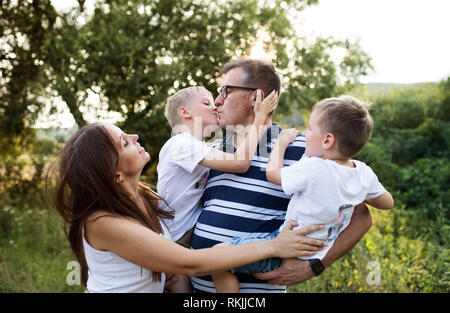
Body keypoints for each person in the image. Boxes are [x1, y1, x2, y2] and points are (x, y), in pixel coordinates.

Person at [45, 122, 327, 293]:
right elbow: (189, 262)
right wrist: (275, 246)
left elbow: (171, 270)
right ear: (115, 173)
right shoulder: (103, 222)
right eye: (124, 142)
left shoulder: (146, 198)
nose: (134, 137)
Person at [190, 58, 374, 293]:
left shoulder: (306, 151)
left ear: (256, 97)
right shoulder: (213, 151)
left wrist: (314, 267)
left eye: (226, 91)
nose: (218, 101)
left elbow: (361, 216)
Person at [211, 95, 394, 292]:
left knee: (216, 258)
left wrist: (282, 143)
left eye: (309, 127)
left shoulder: (314, 167)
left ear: (327, 140)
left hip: (284, 250)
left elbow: (272, 174)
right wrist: (354, 190)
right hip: (315, 252)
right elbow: (387, 203)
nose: (304, 133)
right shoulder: (363, 172)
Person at [156, 85, 281, 291]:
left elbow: (239, 146)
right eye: (206, 103)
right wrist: (259, 118)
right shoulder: (180, 144)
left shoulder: (204, 147)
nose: (215, 107)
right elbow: (239, 163)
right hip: (174, 240)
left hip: (183, 237)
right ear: (185, 112)